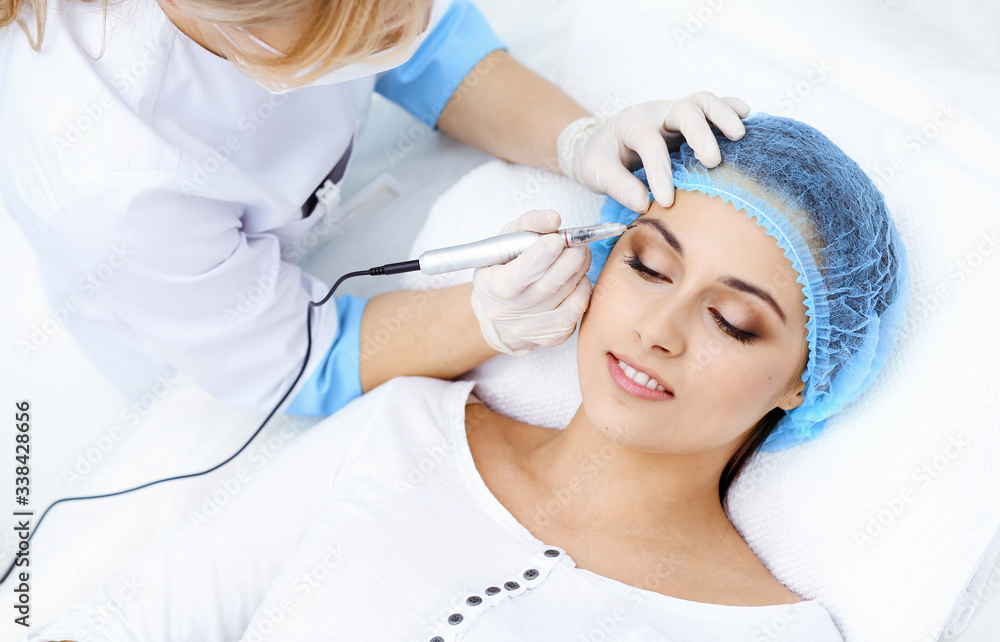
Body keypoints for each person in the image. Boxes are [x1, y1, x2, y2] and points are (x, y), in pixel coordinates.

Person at [28, 114, 910, 641]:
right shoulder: (402, 429)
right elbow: (132, 623)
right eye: (647, 265)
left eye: (733, 321)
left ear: (807, 379)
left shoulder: (773, 631)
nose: (659, 330)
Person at [0, 0, 749, 417]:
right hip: (195, 346)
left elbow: (427, 50)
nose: (412, 22)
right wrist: (485, 320)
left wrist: (578, 137)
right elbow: (299, 360)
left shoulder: (317, 0)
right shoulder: (116, 183)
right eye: (379, 30)